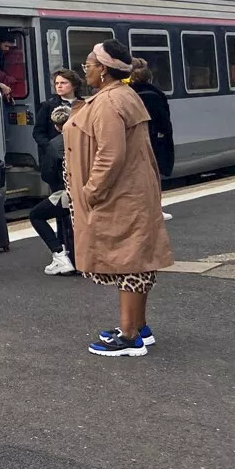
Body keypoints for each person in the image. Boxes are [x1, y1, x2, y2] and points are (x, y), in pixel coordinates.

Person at [64, 39, 173, 357]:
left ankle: (129, 337)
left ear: (104, 69)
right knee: (136, 258)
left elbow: (110, 154)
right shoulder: (119, 96)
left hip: (119, 194)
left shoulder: (110, 102)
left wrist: (91, 191)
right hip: (130, 191)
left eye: (89, 64)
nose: (86, 70)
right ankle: (138, 326)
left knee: (130, 261)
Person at [127, 58, 175, 219]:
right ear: (149, 77)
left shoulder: (126, 94)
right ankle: (155, 210)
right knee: (152, 176)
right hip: (153, 141)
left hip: (131, 142)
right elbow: (163, 121)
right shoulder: (154, 94)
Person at [30, 104, 74, 275]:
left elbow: (47, 175)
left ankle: (60, 255)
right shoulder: (86, 139)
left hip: (66, 193)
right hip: (90, 190)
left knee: (36, 215)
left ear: (56, 126)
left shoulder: (54, 145)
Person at [32, 68, 84, 158]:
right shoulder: (47, 106)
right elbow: (38, 132)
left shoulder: (85, 105)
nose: (59, 86)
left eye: (63, 83)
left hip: (80, 152)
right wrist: (50, 147)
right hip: (55, 157)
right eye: (57, 83)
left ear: (74, 85)